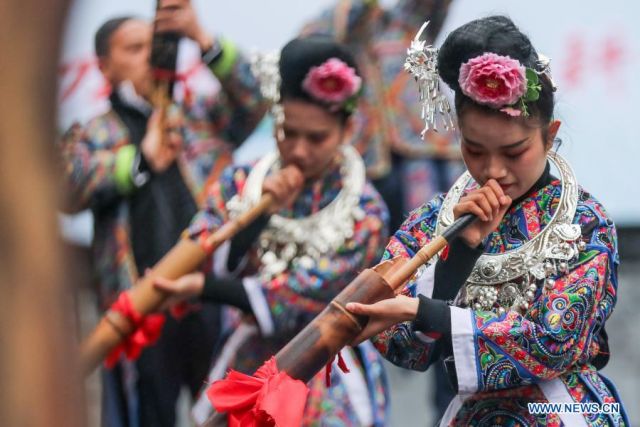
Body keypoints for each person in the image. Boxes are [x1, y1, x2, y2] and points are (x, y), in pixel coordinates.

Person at [346, 15, 629, 426]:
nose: (494, 170)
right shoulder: (434, 221)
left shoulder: (585, 223)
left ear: (550, 135)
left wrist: (429, 313)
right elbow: (402, 345)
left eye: (514, 152)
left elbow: (555, 341)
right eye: (475, 150)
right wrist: (456, 256)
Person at [153, 36, 391, 426]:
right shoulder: (242, 180)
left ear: (347, 128)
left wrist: (203, 289)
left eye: (316, 138)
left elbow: (303, 299)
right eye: (287, 132)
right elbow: (209, 247)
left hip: (326, 367)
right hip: (250, 357)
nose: (298, 150)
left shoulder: (366, 210)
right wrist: (257, 215)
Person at [58, 2, 266, 426]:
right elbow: (65, 187)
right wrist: (140, 161)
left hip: (211, 297)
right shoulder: (94, 132)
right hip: (140, 306)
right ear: (105, 66)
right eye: (133, 49)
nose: (149, 58)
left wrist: (202, 38)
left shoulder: (200, 117)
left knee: (225, 412)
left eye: (155, 47)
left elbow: (254, 101)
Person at [301, 0, 462, 231]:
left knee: (440, 224)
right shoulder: (332, 28)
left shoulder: (406, 21)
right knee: (386, 236)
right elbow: (308, 47)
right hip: (370, 160)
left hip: (432, 145)